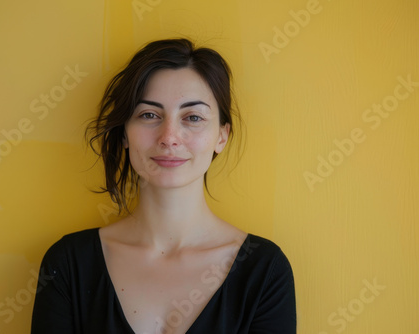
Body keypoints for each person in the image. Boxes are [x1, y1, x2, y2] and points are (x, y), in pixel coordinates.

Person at [31, 38, 296, 334]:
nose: (169, 137)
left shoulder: (264, 271)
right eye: (149, 115)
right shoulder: (69, 264)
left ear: (221, 136)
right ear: (124, 135)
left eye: (193, 117)